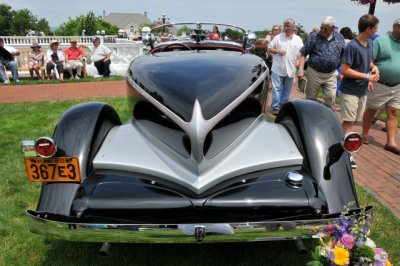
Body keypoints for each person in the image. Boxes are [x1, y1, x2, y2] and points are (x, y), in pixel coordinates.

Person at [340, 14, 380, 168]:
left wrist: (373, 67)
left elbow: (368, 61)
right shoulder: (352, 46)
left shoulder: (369, 43)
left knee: (353, 121)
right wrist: (367, 77)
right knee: (349, 122)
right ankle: (346, 154)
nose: (376, 30)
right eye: (375, 28)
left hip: (361, 91)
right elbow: (345, 70)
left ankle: (342, 140)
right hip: (350, 90)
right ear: (368, 29)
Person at [362, 18, 400, 155]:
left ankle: (391, 142)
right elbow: (370, 61)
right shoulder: (381, 41)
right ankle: (365, 133)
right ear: (395, 26)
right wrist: (371, 77)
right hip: (380, 83)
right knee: (372, 109)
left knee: (394, 112)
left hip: (397, 85)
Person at [297, 16, 345, 109]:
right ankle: (309, 116)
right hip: (314, 72)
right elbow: (303, 54)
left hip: (331, 73)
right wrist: (300, 70)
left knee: (331, 97)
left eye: (325, 28)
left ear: (332, 28)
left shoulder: (340, 37)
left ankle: (327, 118)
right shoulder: (313, 37)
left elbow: (343, 56)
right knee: (310, 98)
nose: (322, 30)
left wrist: (342, 72)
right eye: (321, 27)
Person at [268, 18, 303, 115]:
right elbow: (270, 48)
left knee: (287, 89)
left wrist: (298, 61)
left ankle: (282, 106)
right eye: (285, 26)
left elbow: (302, 52)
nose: (286, 28)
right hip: (278, 68)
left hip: (291, 69)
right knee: (276, 88)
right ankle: (275, 107)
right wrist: (278, 51)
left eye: (289, 26)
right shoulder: (278, 37)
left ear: (293, 27)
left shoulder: (298, 39)